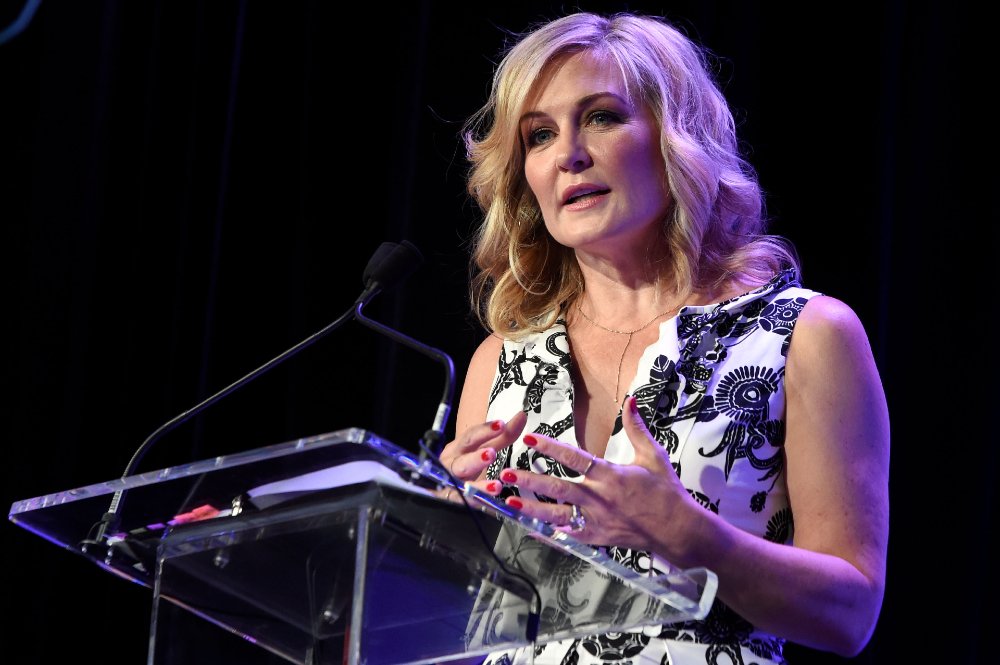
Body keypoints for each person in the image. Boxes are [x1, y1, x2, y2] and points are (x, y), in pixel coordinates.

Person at [437, 10, 889, 665]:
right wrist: (437, 530)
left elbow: (852, 613)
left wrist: (695, 538)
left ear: (677, 138)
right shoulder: (502, 361)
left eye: (602, 117)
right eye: (539, 134)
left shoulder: (804, 336)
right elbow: (462, 617)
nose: (569, 154)